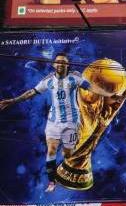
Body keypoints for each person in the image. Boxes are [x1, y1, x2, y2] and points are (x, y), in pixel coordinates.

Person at [0, 53, 119, 192]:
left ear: (67, 65)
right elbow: (31, 92)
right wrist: (12, 101)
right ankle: (52, 181)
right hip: (53, 122)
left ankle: (67, 154)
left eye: (64, 62)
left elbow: (93, 88)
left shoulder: (74, 77)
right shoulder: (48, 80)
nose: (61, 64)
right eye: (58, 62)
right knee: (51, 150)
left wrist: (110, 95)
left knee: (67, 154)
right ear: (54, 64)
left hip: (71, 123)